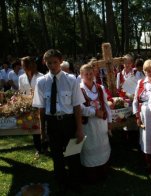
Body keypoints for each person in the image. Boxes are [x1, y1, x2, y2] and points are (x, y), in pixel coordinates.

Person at [32, 49, 85, 193]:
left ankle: (75, 182)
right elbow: (41, 109)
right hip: (52, 123)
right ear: (45, 63)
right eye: (49, 63)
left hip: (68, 122)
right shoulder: (41, 82)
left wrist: (79, 128)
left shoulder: (71, 79)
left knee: (73, 154)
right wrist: (43, 130)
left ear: (61, 61)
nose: (52, 66)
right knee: (57, 156)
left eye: (55, 62)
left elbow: (76, 106)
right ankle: (61, 182)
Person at [79, 63, 112, 183]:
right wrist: (94, 112)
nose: (88, 76)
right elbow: (80, 109)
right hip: (87, 125)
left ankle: (103, 172)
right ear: (81, 75)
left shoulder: (100, 87)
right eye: (86, 74)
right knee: (89, 148)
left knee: (102, 147)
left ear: (94, 74)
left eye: (90, 73)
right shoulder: (79, 89)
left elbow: (106, 106)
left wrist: (109, 122)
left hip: (101, 124)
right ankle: (91, 176)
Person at [132, 59, 151, 172]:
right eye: (147, 71)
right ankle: (147, 161)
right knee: (145, 138)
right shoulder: (141, 82)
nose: (150, 73)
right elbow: (135, 100)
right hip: (143, 114)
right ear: (144, 71)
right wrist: (137, 116)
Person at [19, 56, 45, 157]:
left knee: (42, 125)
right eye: (22, 65)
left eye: (24, 65)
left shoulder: (41, 76)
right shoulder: (21, 77)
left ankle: (45, 145)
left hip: (40, 105)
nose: (22, 67)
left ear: (30, 65)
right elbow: (21, 92)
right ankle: (38, 148)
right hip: (28, 105)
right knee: (34, 126)